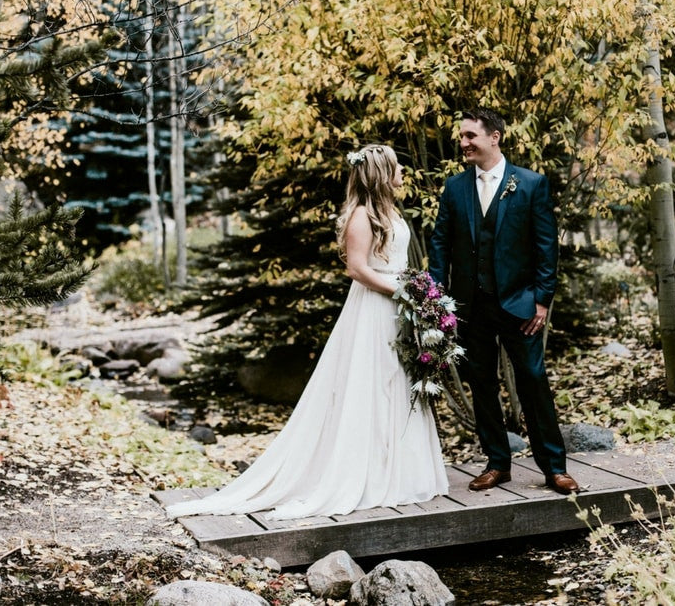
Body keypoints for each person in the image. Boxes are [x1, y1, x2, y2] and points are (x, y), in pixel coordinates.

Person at [166, 144, 448, 520]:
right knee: (373, 384)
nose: (402, 173)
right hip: (374, 309)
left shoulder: (389, 211)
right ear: (381, 173)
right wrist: (399, 290)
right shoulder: (362, 216)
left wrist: (414, 291)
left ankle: (396, 470)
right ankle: (365, 471)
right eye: (397, 167)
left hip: (398, 310)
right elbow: (357, 269)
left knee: (398, 382)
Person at [428, 108, 578, 495]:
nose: (463, 143)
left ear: (494, 137)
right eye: (461, 136)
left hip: (519, 304)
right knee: (481, 383)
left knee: (532, 380)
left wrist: (542, 301)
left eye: (469, 136)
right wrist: (436, 296)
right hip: (469, 307)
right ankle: (497, 463)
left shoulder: (530, 184)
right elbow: (440, 244)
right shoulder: (455, 187)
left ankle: (554, 467)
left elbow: (546, 249)